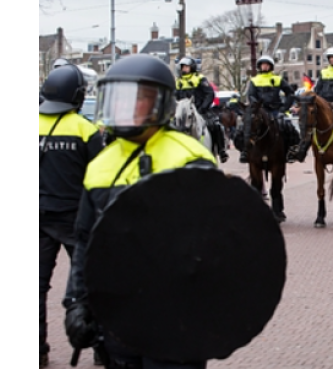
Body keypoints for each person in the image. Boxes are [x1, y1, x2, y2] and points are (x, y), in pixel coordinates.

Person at [64, 54, 218, 369]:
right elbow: (84, 241)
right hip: (118, 316)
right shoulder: (101, 164)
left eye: (139, 100)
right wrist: (76, 304)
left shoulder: (191, 158)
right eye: (119, 100)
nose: (126, 109)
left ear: (161, 103)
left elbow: (218, 244)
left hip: (176, 319)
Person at [39, 64, 104, 367]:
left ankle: (37, 349)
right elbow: (102, 174)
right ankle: (102, 348)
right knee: (92, 281)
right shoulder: (85, 129)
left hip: (37, 216)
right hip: (74, 219)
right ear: (78, 95)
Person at [238, 55, 301, 164]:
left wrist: (283, 109)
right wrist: (256, 106)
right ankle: (245, 150)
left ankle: (292, 150)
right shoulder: (254, 80)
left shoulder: (278, 79)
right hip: (260, 110)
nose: (265, 67)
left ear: (271, 66)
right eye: (263, 65)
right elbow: (251, 95)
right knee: (245, 127)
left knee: (287, 126)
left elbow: (290, 93)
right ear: (259, 66)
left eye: (267, 65)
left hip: (275, 110)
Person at [175, 56, 229, 163]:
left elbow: (209, 94)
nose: (184, 69)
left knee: (216, 124)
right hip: (183, 113)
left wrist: (202, 108)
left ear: (192, 67)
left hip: (200, 110)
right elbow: (175, 96)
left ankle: (221, 150)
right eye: (183, 67)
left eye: (186, 67)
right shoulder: (178, 82)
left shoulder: (200, 78)